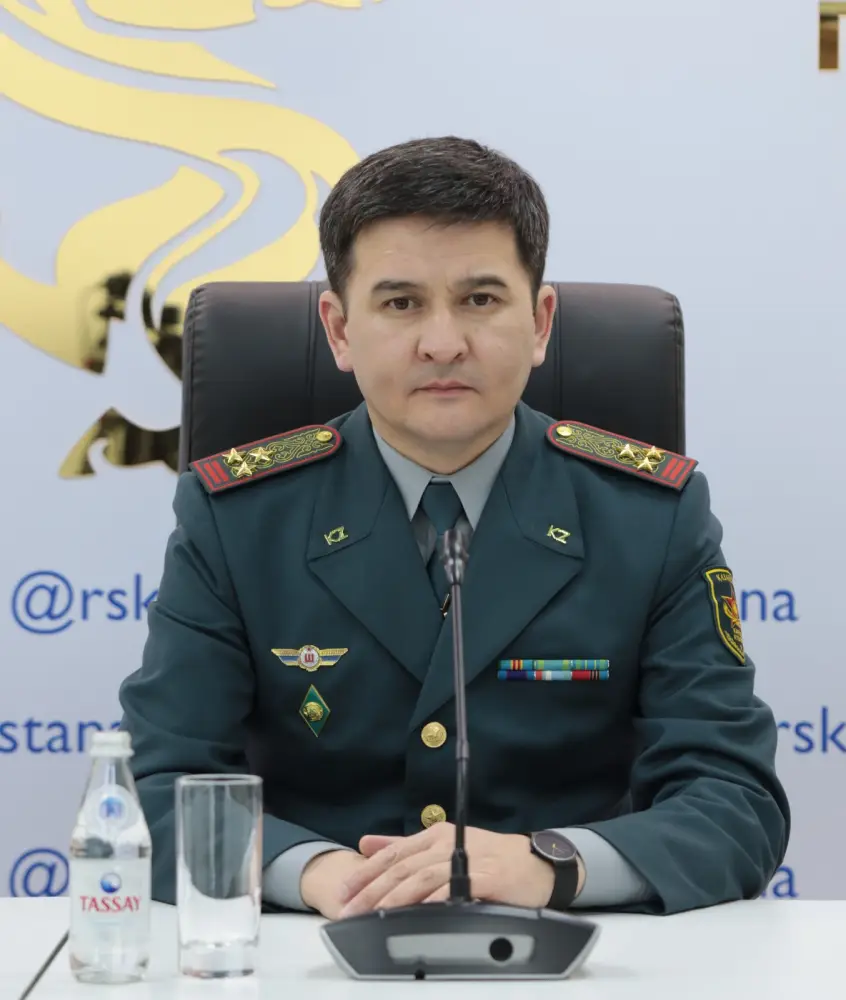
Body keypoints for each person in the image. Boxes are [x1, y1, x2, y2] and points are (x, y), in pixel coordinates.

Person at [118, 136, 790, 921]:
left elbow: (734, 800)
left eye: (480, 299)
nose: (443, 342)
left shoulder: (651, 517)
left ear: (539, 322)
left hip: (571, 946)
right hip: (312, 949)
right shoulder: (237, 518)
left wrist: (552, 864)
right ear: (338, 329)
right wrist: (315, 872)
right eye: (401, 303)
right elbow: (158, 788)